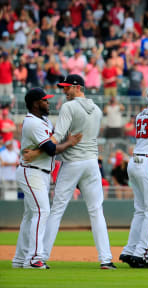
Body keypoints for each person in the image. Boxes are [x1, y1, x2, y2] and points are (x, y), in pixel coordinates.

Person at [39, 75, 116, 269]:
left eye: (67, 88)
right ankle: (106, 259)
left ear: (78, 87)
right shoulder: (97, 109)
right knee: (97, 211)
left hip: (72, 162)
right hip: (91, 162)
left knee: (56, 210)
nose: (64, 91)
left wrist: (37, 151)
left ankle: (41, 255)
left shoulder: (69, 107)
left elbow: (57, 137)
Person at [13, 88, 81, 269]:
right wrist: (71, 143)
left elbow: (52, 142)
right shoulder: (33, 123)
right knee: (42, 212)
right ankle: (34, 258)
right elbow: (52, 148)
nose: (47, 102)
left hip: (39, 170)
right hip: (32, 171)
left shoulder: (41, 120)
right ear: (35, 103)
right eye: (44, 100)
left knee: (30, 216)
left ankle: (20, 259)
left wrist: (36, 152)